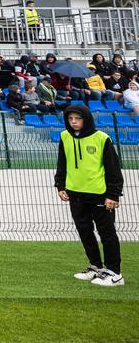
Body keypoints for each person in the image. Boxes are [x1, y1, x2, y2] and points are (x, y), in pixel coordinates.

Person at [56, 104, 124, 287]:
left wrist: (113, 195)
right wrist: (60, 185)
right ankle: (95, 267)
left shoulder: (102, 138)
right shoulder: (64, 136)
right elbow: (62, 162)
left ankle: (115, 273)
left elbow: (113, 169)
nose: (74, 122)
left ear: (86, 119)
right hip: (75, 193)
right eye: (70, 119)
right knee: (85, 231)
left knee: (107, 233)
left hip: (100, 195)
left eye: (77, 119)